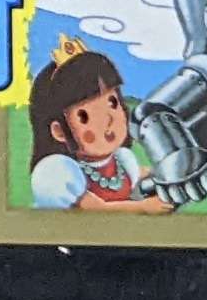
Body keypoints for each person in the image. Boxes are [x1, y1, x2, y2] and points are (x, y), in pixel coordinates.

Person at [26, 43, 169, 211]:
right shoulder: (60, 172)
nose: (108, 119)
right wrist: (143, 208)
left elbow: (141, 173)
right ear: (59, 132)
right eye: (84, 117)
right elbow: (97, 209)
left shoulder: (122, 159)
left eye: (112, 103)